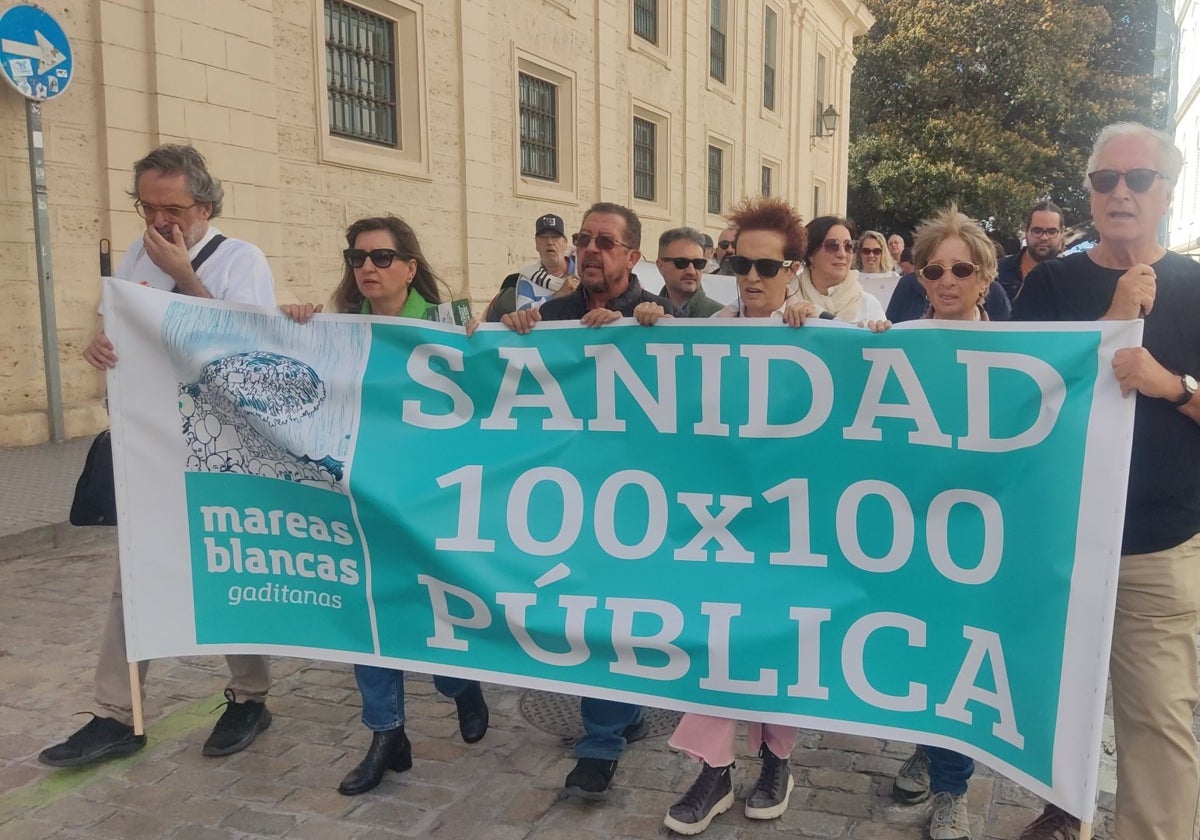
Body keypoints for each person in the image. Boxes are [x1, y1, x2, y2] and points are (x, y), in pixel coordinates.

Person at [40, 144, 276, 768]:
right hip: (150, 446)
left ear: (203, 205)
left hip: (219, 450)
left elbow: (242, 349)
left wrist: (187, 275)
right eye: (147, 207)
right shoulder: (137, 255)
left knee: (226, 570)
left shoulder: (240, 261)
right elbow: (123, 331)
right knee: (135, 578)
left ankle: (250, 696)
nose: (159, 220)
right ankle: (118, 714)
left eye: (171, 207)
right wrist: (101, 347)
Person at [1012, 123, 1200, 840]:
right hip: (1060, 544)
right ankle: (1069, 814)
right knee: (1055, 707)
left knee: (1155, 722)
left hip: (1159, 544)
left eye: (1138, 179)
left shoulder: (1196, 284)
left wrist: (1171, 385)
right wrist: (1113, 322)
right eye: (1104, 180)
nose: (1120, 192)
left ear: (1167, 194)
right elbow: (1017, 406)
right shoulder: (1052, 284)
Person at [281, 216, 491, 796]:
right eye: (356, 257)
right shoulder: (337, 328)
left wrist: (489, 340)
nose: (366, 268)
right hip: (362, 496)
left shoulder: (451, 325)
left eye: (380, 257)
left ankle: (461, 686)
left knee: (437, 614)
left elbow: (494, 389)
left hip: (434, 502)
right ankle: (385, 733)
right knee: (368, 619)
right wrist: (294, 327)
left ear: (409, 267)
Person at [636, 198, 819, 835]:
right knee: (717, 638)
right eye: (739, 262)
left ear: (792, 270)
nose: (750, 276)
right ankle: (714, 769)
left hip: (794, 524)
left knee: (777, 641)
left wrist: (834, 332)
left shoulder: (821, 331)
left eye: (766, 267)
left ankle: (776, 759)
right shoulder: (705, 328)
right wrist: (649, 324)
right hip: (719, 522)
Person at [492, 202, 677, 798]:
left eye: (606, 241)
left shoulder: (660, 315)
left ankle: (600, 746)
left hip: (638, 500)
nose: (591, 249)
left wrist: (654, 326)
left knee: (613, 612)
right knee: (589, 612)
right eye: (584, 239)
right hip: (569, 498)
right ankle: (619, 721)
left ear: (632, 255)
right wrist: (508, 332)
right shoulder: (551, 318)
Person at [868, 206, 1001, 840]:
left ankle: (952, 789)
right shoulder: (894, 338)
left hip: (976, 535)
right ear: (920, 277)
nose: (947, 280)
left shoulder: (1020, 349)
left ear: (984, 276)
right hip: (905, 530)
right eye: (933, 269)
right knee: (916, 654)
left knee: (958, 654)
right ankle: (927, 745)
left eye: (961, 269)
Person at [484, 213, 576, 321]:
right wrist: (558, 295)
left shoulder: (582, 271)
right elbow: (523, 312)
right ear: (536, 244)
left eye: (555, 237)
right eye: (543, 237)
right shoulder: (529, 278)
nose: (549, 242)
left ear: (565, 243)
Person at [794, 216, 886, 322]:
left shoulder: (869, 305)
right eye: (833, 246)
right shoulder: (786, 299)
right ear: (810, 253)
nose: (842, 254)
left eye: (849, 246)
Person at [996, 201, 1065, 303]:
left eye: (1051, 232)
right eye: (1037, 231)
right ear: (1026, 230)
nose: (1044, 237)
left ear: (1062, 232)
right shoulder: (998, 270)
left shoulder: (1072, 277)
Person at [656, 227, 724, 318]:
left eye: (698, 263)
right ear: (661, 266)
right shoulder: (641, 315)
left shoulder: (722, 318)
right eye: (681, 262)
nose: (691, 271)